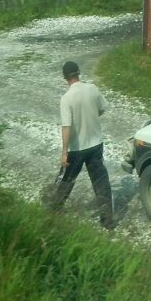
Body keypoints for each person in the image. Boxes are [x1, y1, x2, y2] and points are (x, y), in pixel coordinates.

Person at [49, 60, 114, 229]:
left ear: (65, 78)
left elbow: (66, 127)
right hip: (95, 144)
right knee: (100, 181)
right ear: (78, 73)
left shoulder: (66, 99)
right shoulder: (92, 89)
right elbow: (102, 108)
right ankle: (107, 221)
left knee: (67, 179)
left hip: (77, 148)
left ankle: (54, 210)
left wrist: (64, 152)